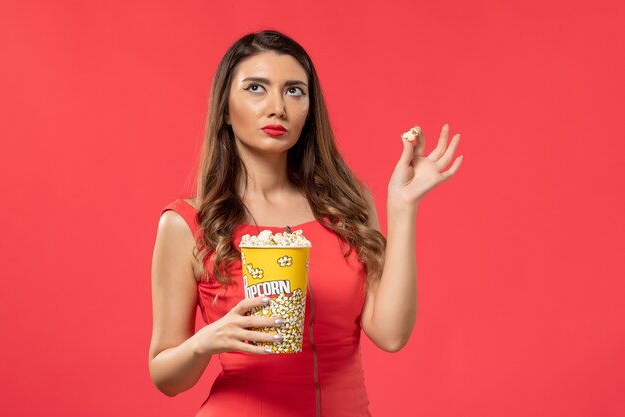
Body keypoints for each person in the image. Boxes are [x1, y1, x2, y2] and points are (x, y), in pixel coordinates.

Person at [149, 29, 462, 417]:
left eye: (294, 90)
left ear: (310, 109)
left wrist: (402, 207)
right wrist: (206, 342)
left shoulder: (349, 205)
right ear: (225, 110)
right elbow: (165, 376)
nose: (277, 106)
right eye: (256, 88)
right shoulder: (188, 223)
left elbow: (392, 334)